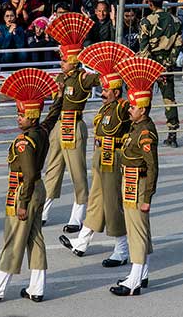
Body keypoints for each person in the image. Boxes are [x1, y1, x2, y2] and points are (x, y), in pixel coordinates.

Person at [0, 68, 61, 303]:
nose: (17, 118)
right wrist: (59, 99)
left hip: (25, 191)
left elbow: (28, 175)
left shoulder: (24, 142)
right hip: (38, 189)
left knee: (14, 239)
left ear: (31, 116)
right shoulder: (41, 130)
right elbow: (51, 117)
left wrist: (22, 203)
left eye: (21, 115)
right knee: (35, 239)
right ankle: (36, 287)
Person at [59, 41, 134, 267]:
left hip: (114, 157)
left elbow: (137, 108)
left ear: (117, 91)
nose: (102, 93)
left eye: (106, 90)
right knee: (95, 200)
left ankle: (121, 250)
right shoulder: (106, 107)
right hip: (102, 156)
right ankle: (81, 242)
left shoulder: (122, 107)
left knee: (112, 205)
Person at [41, 12, 101, 231]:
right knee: (53, 168)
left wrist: (105, 69)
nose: (61, 62)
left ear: (74, 61)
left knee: (77, 171)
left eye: (64, 59)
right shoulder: (61, 78)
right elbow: (56, 104)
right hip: (59, 126)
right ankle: (44, 211)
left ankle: (78, 215)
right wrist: (46, 125)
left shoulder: (83, 78)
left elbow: (103, 77)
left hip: (74, 126)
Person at [109, 56, 163, 296]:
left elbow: (153, 167)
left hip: (137, 184)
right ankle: (142, 274)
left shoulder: (145, 134)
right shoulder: (137, 127)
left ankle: (134, 281)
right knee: (139, 230)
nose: (129, 109)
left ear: (142, 108)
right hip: (130, 180)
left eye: (132, 106)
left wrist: (147, 196)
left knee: (137, 231)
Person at [138, 0, 183, 147]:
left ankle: (143, 130)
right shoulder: (175, 21)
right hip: (166, 65)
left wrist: (150, 66)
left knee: (145, 98)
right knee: (169, 99)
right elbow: (178, 46)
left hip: (150, 66)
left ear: (150, 3)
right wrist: (167, 64)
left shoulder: (146, 22)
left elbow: (144, 50)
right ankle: (172, 134)